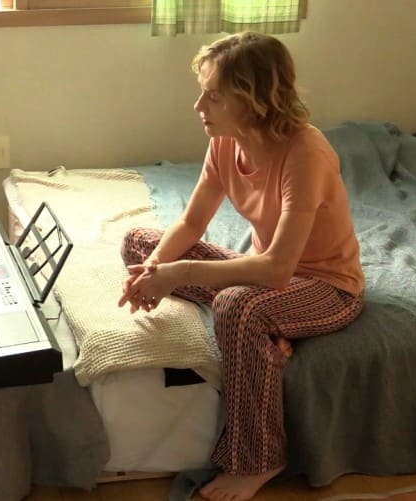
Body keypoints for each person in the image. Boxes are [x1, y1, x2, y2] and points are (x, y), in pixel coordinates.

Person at [117, 32, 365, 500]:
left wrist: (180, 274)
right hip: (264, 271)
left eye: (213, 96)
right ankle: (269, 336)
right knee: (138, 243)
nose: (198, 106)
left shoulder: (306, 153)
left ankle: (260, 460)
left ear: (254, 99)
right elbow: (192, 223)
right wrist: (152, 271)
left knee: (237, 306)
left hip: (325, 286)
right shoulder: (225, 142)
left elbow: (277, 271)